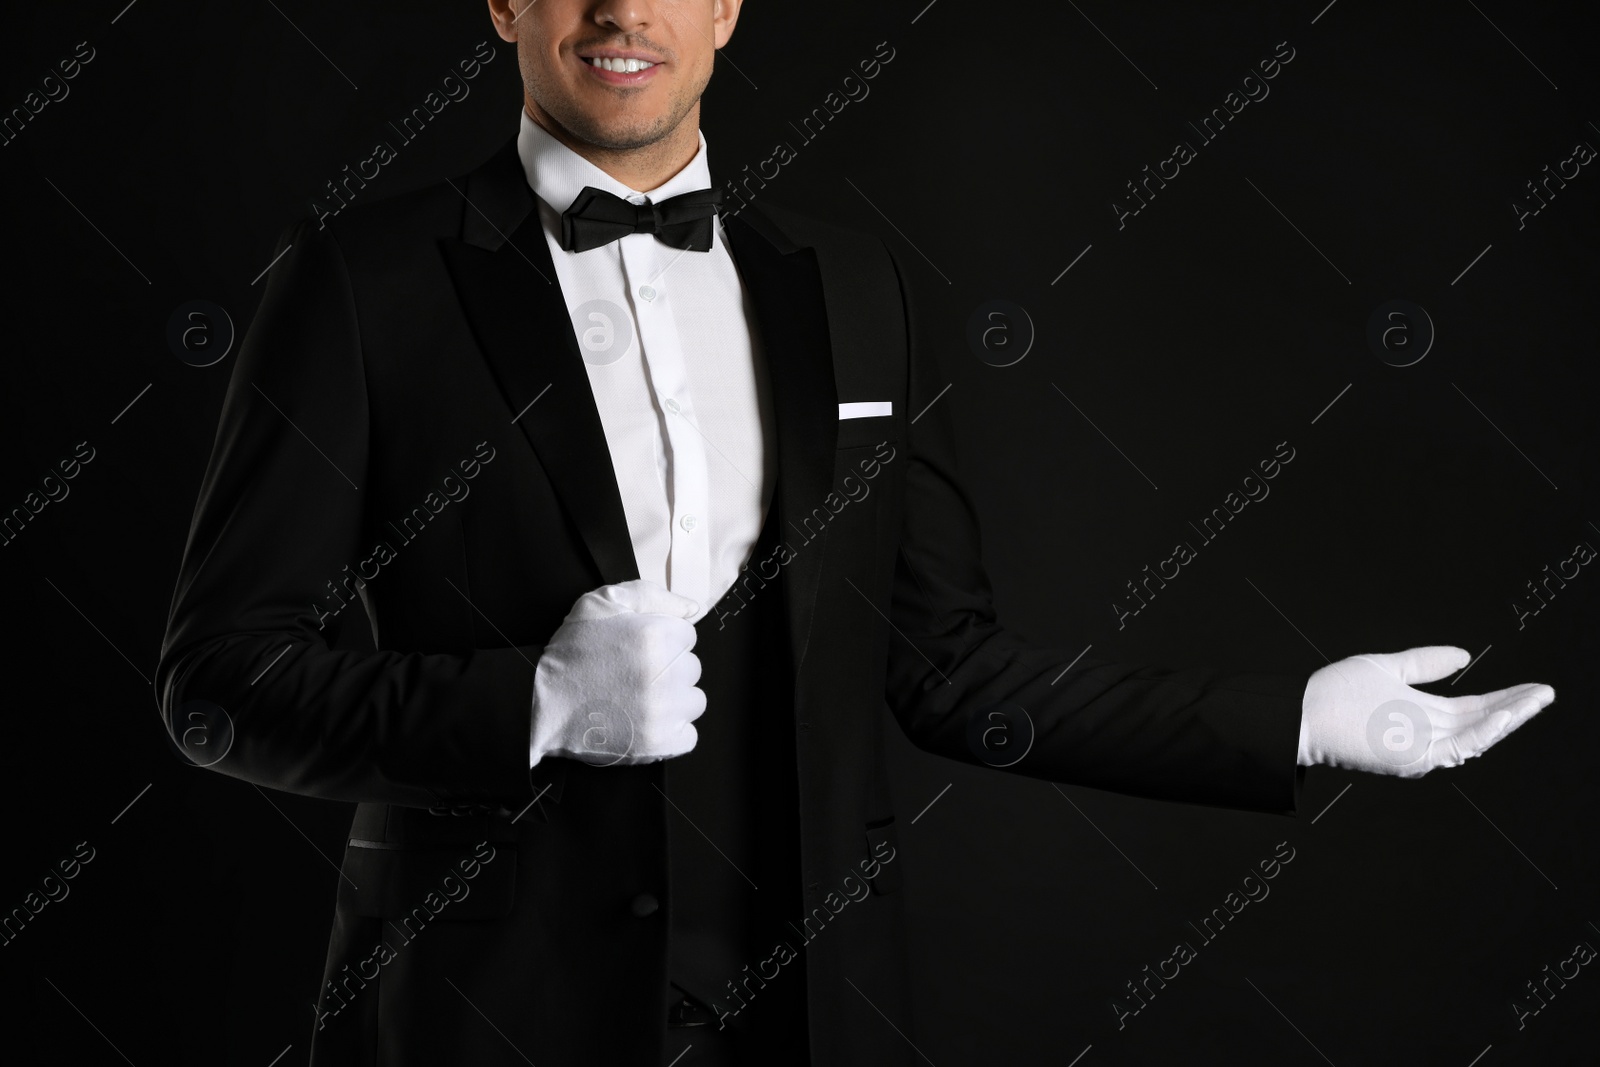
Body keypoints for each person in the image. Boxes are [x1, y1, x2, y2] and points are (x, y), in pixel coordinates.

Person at [154, 1, 1556, 1064]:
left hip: (820, 1006)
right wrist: (529, 704)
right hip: (486, 1011)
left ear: (728, 10)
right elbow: (222, 684)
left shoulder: (851, 282)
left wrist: (1296, 720)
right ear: (505, 5)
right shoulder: (359, 281)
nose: (621, 14)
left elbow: (945, 666)